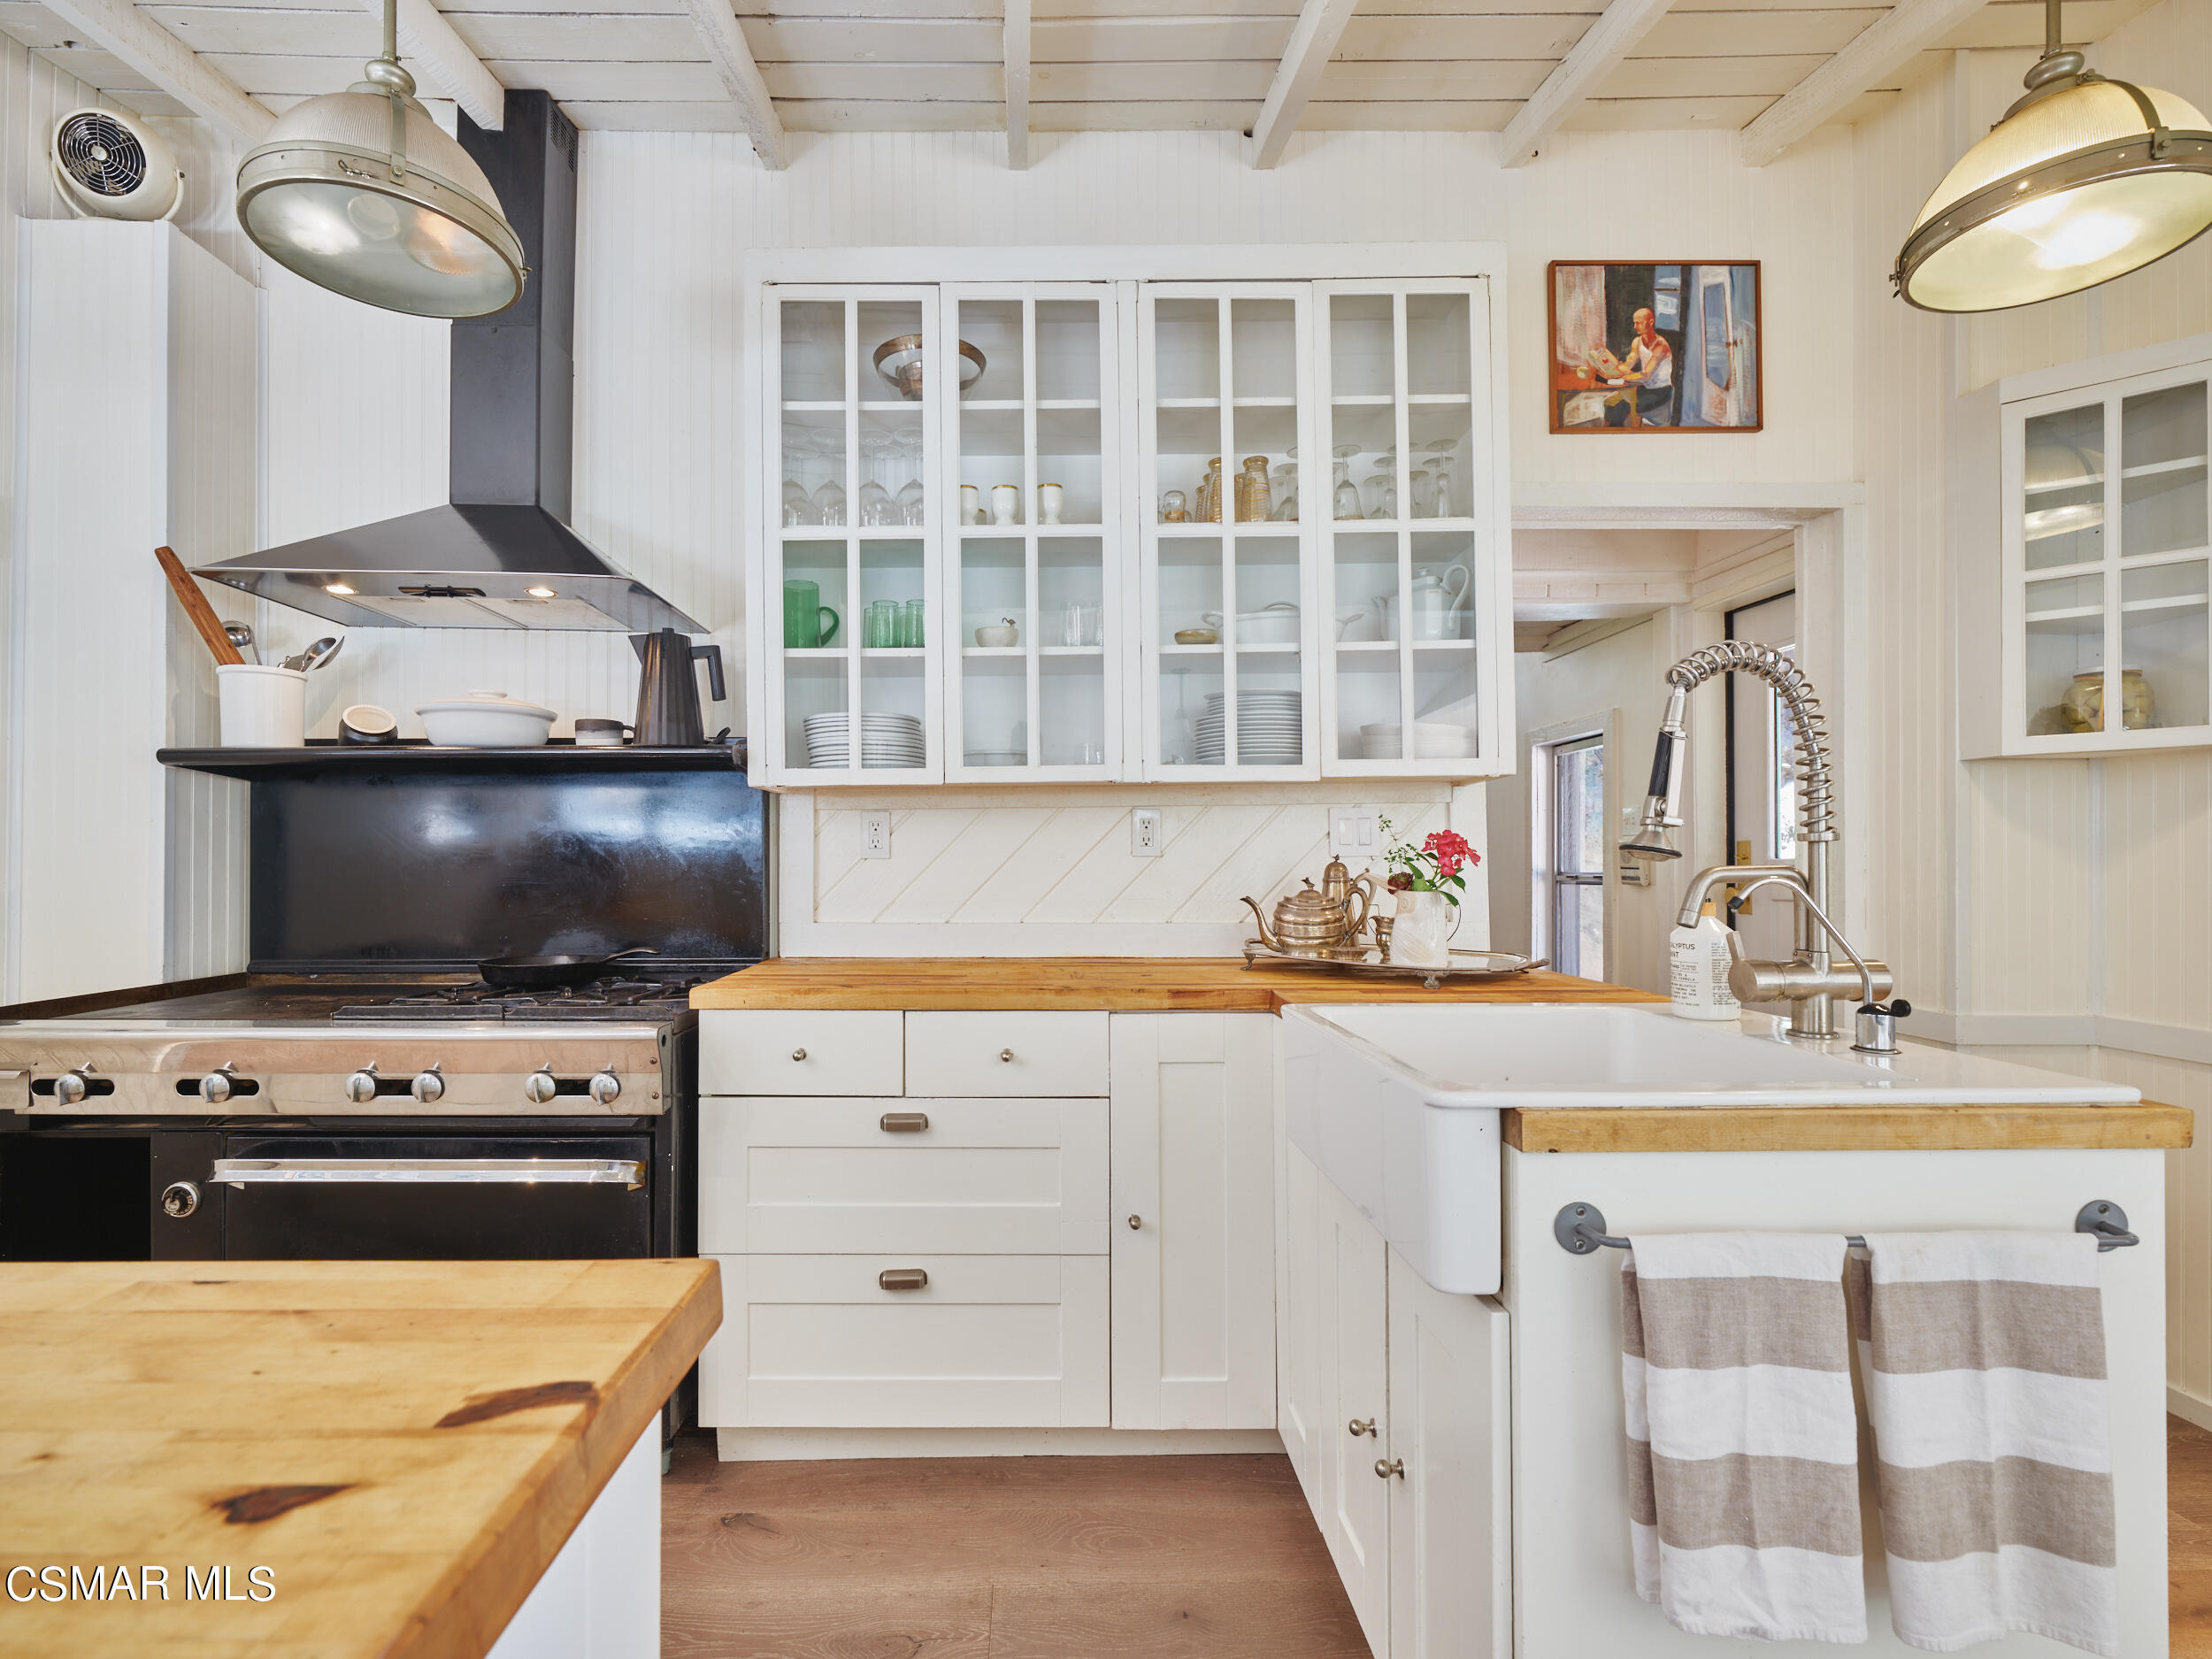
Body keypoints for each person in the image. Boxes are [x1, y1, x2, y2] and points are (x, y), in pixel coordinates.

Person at [1597, 307, 1673, 427]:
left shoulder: (1661, 346)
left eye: (1638, 323)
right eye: (1634, 323)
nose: (1635, 326)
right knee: (1610, 404)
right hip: (1643, 388)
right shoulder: (1637, 342)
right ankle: (1610, 431)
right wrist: (1611, 368)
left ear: (1651, 322)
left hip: (1661, 392)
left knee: (1622, 406)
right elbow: (1628, 365)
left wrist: (1622, 378)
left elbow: (1646, 375)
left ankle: (1617, 434)